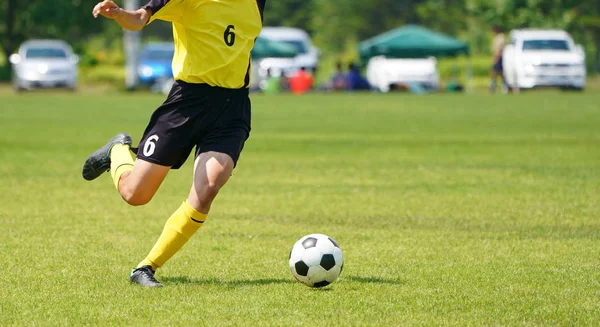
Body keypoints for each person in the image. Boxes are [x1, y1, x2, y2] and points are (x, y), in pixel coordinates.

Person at [83, 0, 266, 287]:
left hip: (232, 107)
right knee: (135, 194)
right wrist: (119, 14)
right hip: (187, 104)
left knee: (209, 187)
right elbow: (140, 18)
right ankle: (117, 150)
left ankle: (145, 268)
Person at [490, 25, 507, 93]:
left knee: (495, 73)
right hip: (498, 57)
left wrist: (496, 58)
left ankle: (493, 87)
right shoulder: (497, 37)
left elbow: (499, 49)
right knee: (500, 73)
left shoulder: (500, 37)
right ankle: (503, 87)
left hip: (499, 57)